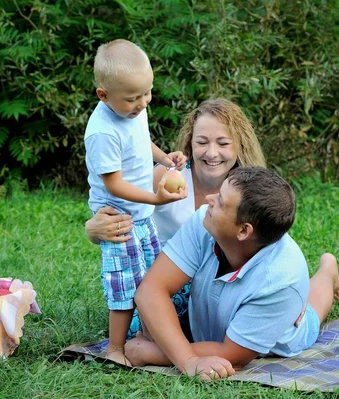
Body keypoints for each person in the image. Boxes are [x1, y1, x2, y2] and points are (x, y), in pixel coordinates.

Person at [124, 167, 339, 381]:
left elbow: (233, 354)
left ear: (244, 231)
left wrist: (155, 353)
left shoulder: (281, 281)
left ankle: (328, 271)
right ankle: (327, 269)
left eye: (220, 201)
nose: (208, 199)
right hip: (220, 317)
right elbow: (151, 290)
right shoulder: (205, 220)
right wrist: (187, 358)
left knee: (310, 315)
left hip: (282, 333)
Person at [85, 98, 266, 336]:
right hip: (165, 283)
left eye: (223, 143)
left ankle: (326, 275)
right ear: (190, 143)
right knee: (136, 331)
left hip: (219, 288)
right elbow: (120, 213)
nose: (212, 153)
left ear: (239, 145)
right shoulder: (165, 178)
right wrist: (93, 230)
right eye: (202, 142)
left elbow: (269, 245)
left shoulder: (249, 190)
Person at [84, 39, 187, 365]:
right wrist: (155, 198)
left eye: (147, 93)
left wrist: (165, 159)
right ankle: (115, 348)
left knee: (150, 279)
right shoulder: (103, 132)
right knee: (124, 288)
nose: (142, 103)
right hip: (118, 218)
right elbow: (113, 183)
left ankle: (144, 335)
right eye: (133, 98)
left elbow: (142, 142)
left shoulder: (131, 110)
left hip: (140, 215)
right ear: (104, 95)